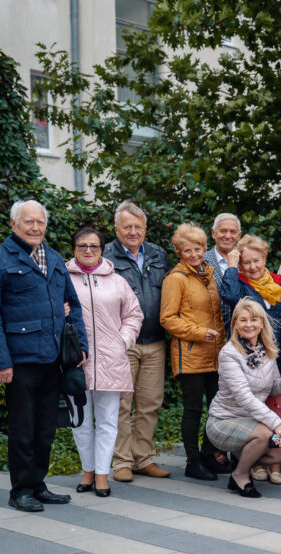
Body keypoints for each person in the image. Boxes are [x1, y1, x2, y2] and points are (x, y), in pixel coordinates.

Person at [0, 200, 87, 512]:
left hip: (53, 360)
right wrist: (0, 361)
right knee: (23, 429)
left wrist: (81, 348)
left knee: (46, 428)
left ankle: (38, 484)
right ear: (14, 224)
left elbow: (73, 306)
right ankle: (20, 490)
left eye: (40, 222)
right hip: (20, 361)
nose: (35, 227)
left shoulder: (52, 257)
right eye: (28, 222)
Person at [66, 227, 143, 497]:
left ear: (102, 249)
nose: (88, 251)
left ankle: (101, 474)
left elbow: (134, 314)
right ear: (74, 249)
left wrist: (122, 341)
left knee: (109, 420)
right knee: (81, 422)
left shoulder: (116, 280)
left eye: (94, 246)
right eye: (82, 246)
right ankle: (88, 470)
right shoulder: (62, 278)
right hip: (76, 361)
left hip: (112, 360)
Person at [217, 233, 281, 484]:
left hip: (278, 355)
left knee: (278, 410)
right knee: (254, 413)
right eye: (246, 262)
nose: (252, 267)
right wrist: (231, 265)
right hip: (248, 357)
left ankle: (277, 467)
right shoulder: (238, 284)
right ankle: (252, 465)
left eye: (256, 261)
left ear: (265, 258)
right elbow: (228, 296)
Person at [104, 201, 172, 483]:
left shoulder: (158, 254)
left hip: (155, 341)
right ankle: (121, 461)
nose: (133, 232)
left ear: (145, 229)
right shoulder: (106, 256)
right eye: (127, 227)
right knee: (121, 403)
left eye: (138, 227)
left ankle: (142, 458)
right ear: (117, 229)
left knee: (150, 403)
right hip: (122, 342)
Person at [206, 299, 281, 498]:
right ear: (235, 324)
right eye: (243, 320)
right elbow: (245, 398)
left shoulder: (267, 352)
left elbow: (273, 389)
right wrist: (277, 424)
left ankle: (241, 460)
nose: (249, 325)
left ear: (262, 323)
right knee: (265, 435)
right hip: (224, 420)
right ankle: (240, 475)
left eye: (254, 320)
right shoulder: (229, 353)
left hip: (252, 422)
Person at [159, 223, 226, 481]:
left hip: (216, 353)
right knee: (193, 410)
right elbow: (168, 319)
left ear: (203, 248)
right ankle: (193, 461)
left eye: (197, 248)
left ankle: (210, 455)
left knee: (218, 408)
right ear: (178, 251)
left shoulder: (208, 274)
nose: (194, 254)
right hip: (190, 354)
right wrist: (199, 333)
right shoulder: (176, 278)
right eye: (187, 250)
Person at [204, 212, 242, 333]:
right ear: (213, 233)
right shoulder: (201, 262)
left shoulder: (247, 262)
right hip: (211, 333)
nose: (228, 236)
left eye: (233, 232)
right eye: (223, 231)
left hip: (242, 332)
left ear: (239, 235)